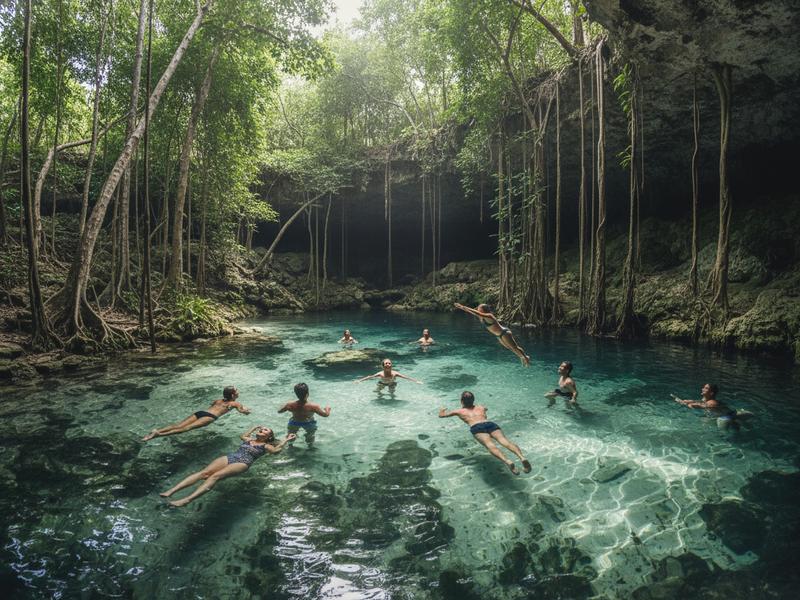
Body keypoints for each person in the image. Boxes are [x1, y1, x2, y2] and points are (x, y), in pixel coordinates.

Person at [160, 426, 295, 507]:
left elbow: (277, 451)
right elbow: (243, 435)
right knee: (204, 473)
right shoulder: (249, 440)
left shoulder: (266, 446)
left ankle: (186, 500)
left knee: (215, 476)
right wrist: (253, 428)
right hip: (231, 456)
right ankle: (171, 491)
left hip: (242, 462)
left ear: (269, 436)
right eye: (261, 428)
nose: (261, 429)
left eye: (265, 430)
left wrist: (286, 440)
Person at [439, 391, 532, 475]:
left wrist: (442, 409)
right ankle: (521, 457)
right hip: (490, 424)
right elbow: (485, 409)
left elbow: (441, 416)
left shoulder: (458, 411)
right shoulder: (481, 407)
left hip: (476, 427)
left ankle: (507, 461)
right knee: (505, 441)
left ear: (461, 400)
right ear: (473, 400)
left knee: (490, 445)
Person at [143, 386, 250, 441]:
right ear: (233, 394)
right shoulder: (235, 403)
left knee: (178, 425)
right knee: (186, 428)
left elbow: (213, 406)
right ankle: (159, 435)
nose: (238, 392)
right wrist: (246, 411)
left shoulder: (218, 400)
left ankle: (156, 431)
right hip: (210, 417)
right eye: (237, 391)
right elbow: (242, 411)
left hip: (201, 412)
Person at [453, 302, 530, 366]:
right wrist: (461, 307)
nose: (477, 309)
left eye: (479, 308)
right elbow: (470, 312)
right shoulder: (481, 317)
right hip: (498, 335)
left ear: (483, 310)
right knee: (509, 348)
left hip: (504, 333)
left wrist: (463, 306)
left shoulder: (489, 315)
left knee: (515, 347)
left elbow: (474, 311)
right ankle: (521, 357)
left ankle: (526, 357)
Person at [672, 383, 747, 430]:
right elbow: (699, 402)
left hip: (727, 416)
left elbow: (697, 406)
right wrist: (685, 401)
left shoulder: (712, 402)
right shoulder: (706, 400)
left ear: (711, 393)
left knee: (706, 423)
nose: (702, 389)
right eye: (703, 387)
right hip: (722, 414)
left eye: (706, 388)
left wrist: (683, 403)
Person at [277, 383, 331, 448]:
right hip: (308, 423)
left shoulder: (290, 404)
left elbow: (279, 411)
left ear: (296, 394)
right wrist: (327, 409)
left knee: (291, 434)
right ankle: (310, 446)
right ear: (307, 394)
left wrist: (284, 406)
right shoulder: (313, 406)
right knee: (310, 434)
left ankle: (290, 446)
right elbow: (325, 415)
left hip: (294, 422)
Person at [354, 358, 423, 389]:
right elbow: (370, 377)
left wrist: (416, 381)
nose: (388, 364)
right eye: (386, 363)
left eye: (389, 363)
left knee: (392, 394)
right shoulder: (380, 373)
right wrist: (359, 380)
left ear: (391, 365)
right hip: (382, 383)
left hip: (392, 383)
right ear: (383, 366)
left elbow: (406, 377)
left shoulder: (395, 373)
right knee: (378, 392)